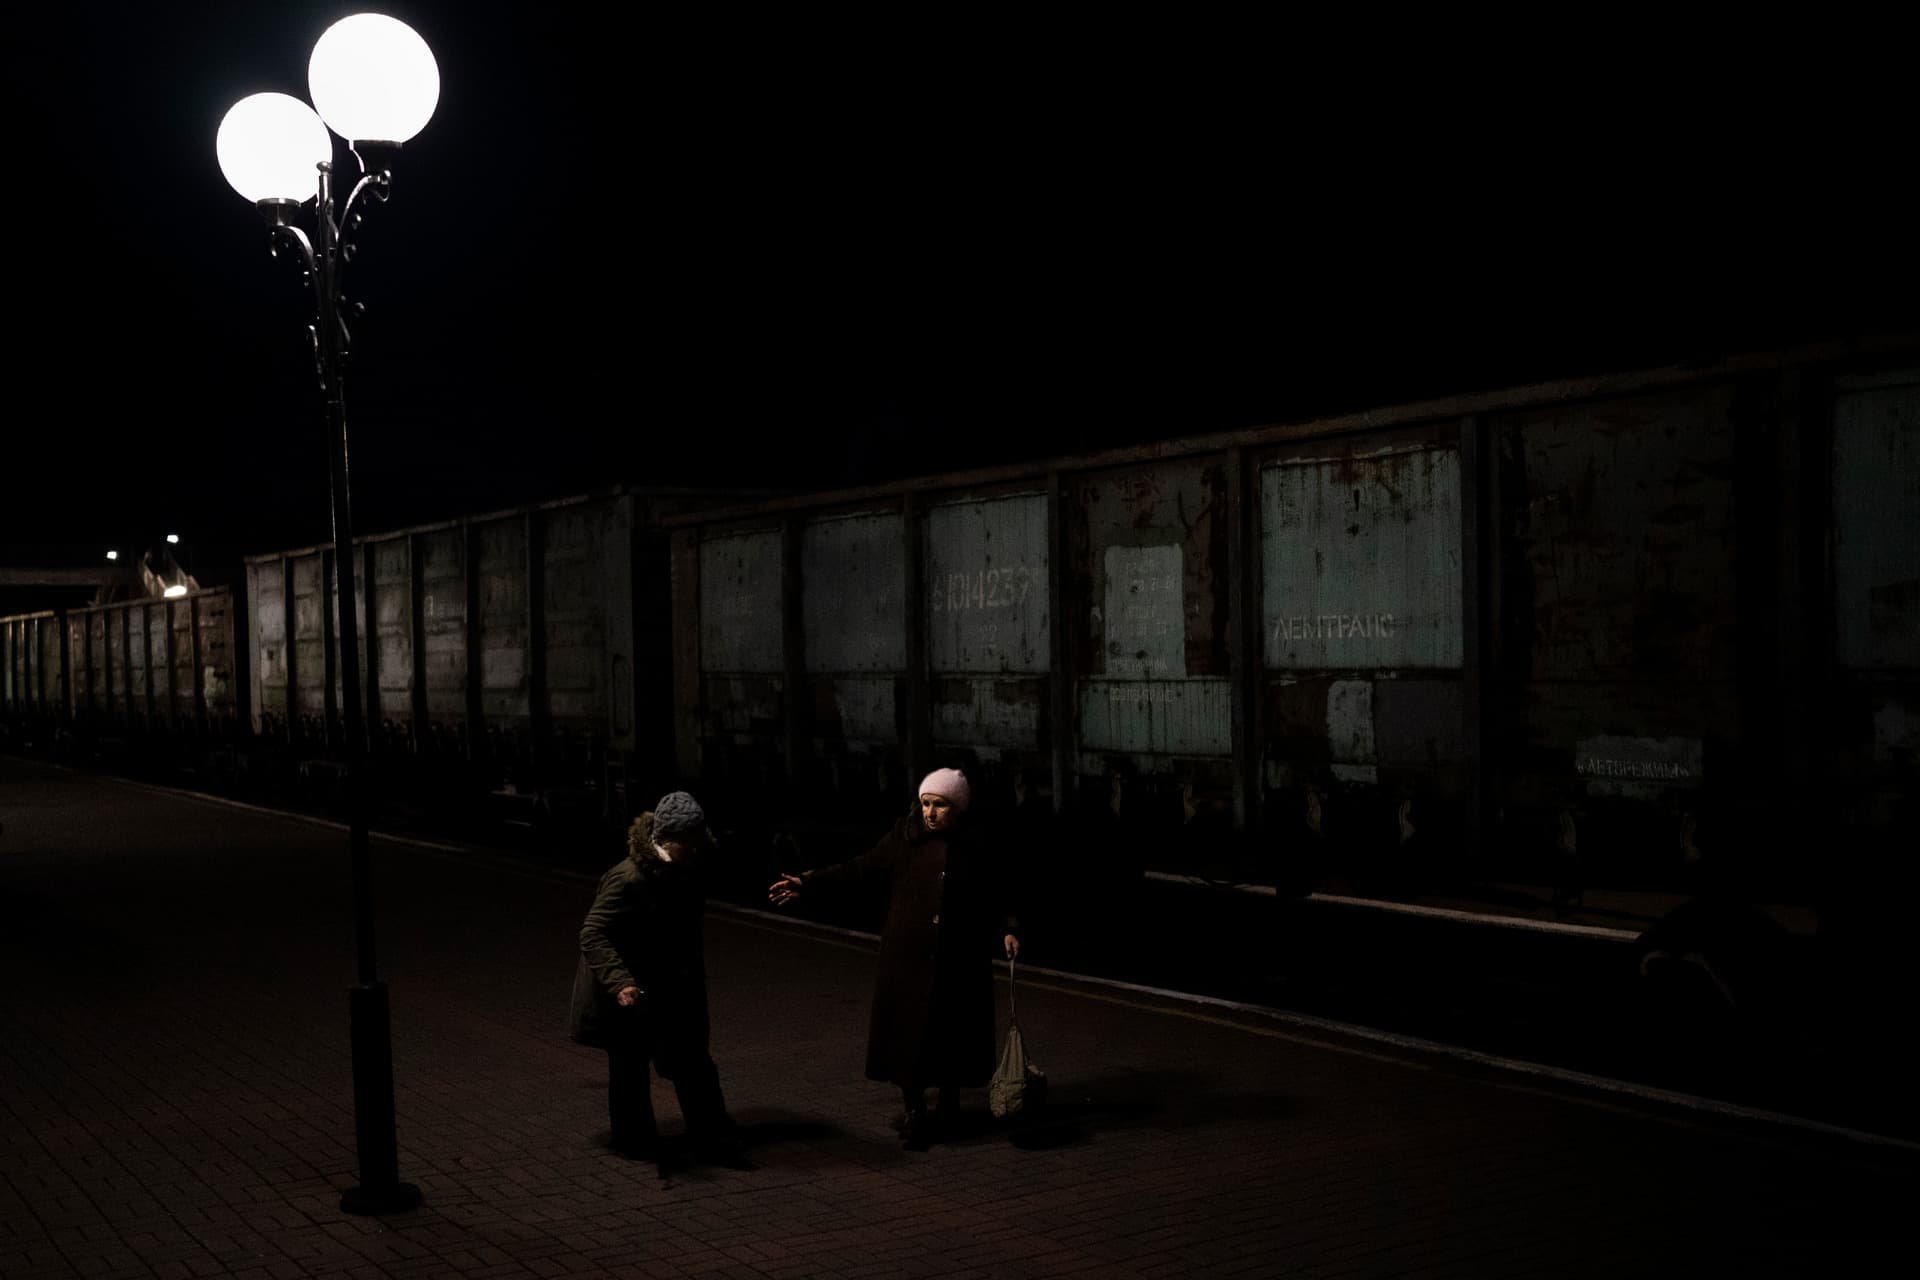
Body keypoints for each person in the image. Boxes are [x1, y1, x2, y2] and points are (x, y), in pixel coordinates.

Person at [768, 767, 1020, 1149]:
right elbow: (859, 867)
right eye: (925, 804)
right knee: (909, 1036)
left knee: (953, 1032)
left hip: (958, 958)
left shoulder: (974, 844)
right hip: (909, 959)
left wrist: (1008, 927)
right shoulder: (904, 837)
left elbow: (995, 890)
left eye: (939, 805)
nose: (930, 813)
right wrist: (808, 881)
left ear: (958, 808)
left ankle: (950, 1105)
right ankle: (915, 1108)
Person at [569, 791, 750, 1171]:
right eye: (691, 846)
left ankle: (713, 1135)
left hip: (669, 982)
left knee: (692, 1061)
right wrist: (620, 982)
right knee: (629, 1066)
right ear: (669, 843)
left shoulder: (689, 865)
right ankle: (633, 1140)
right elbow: (593, 933)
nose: (699, 853)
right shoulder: (628, 878)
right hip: (630, 987)